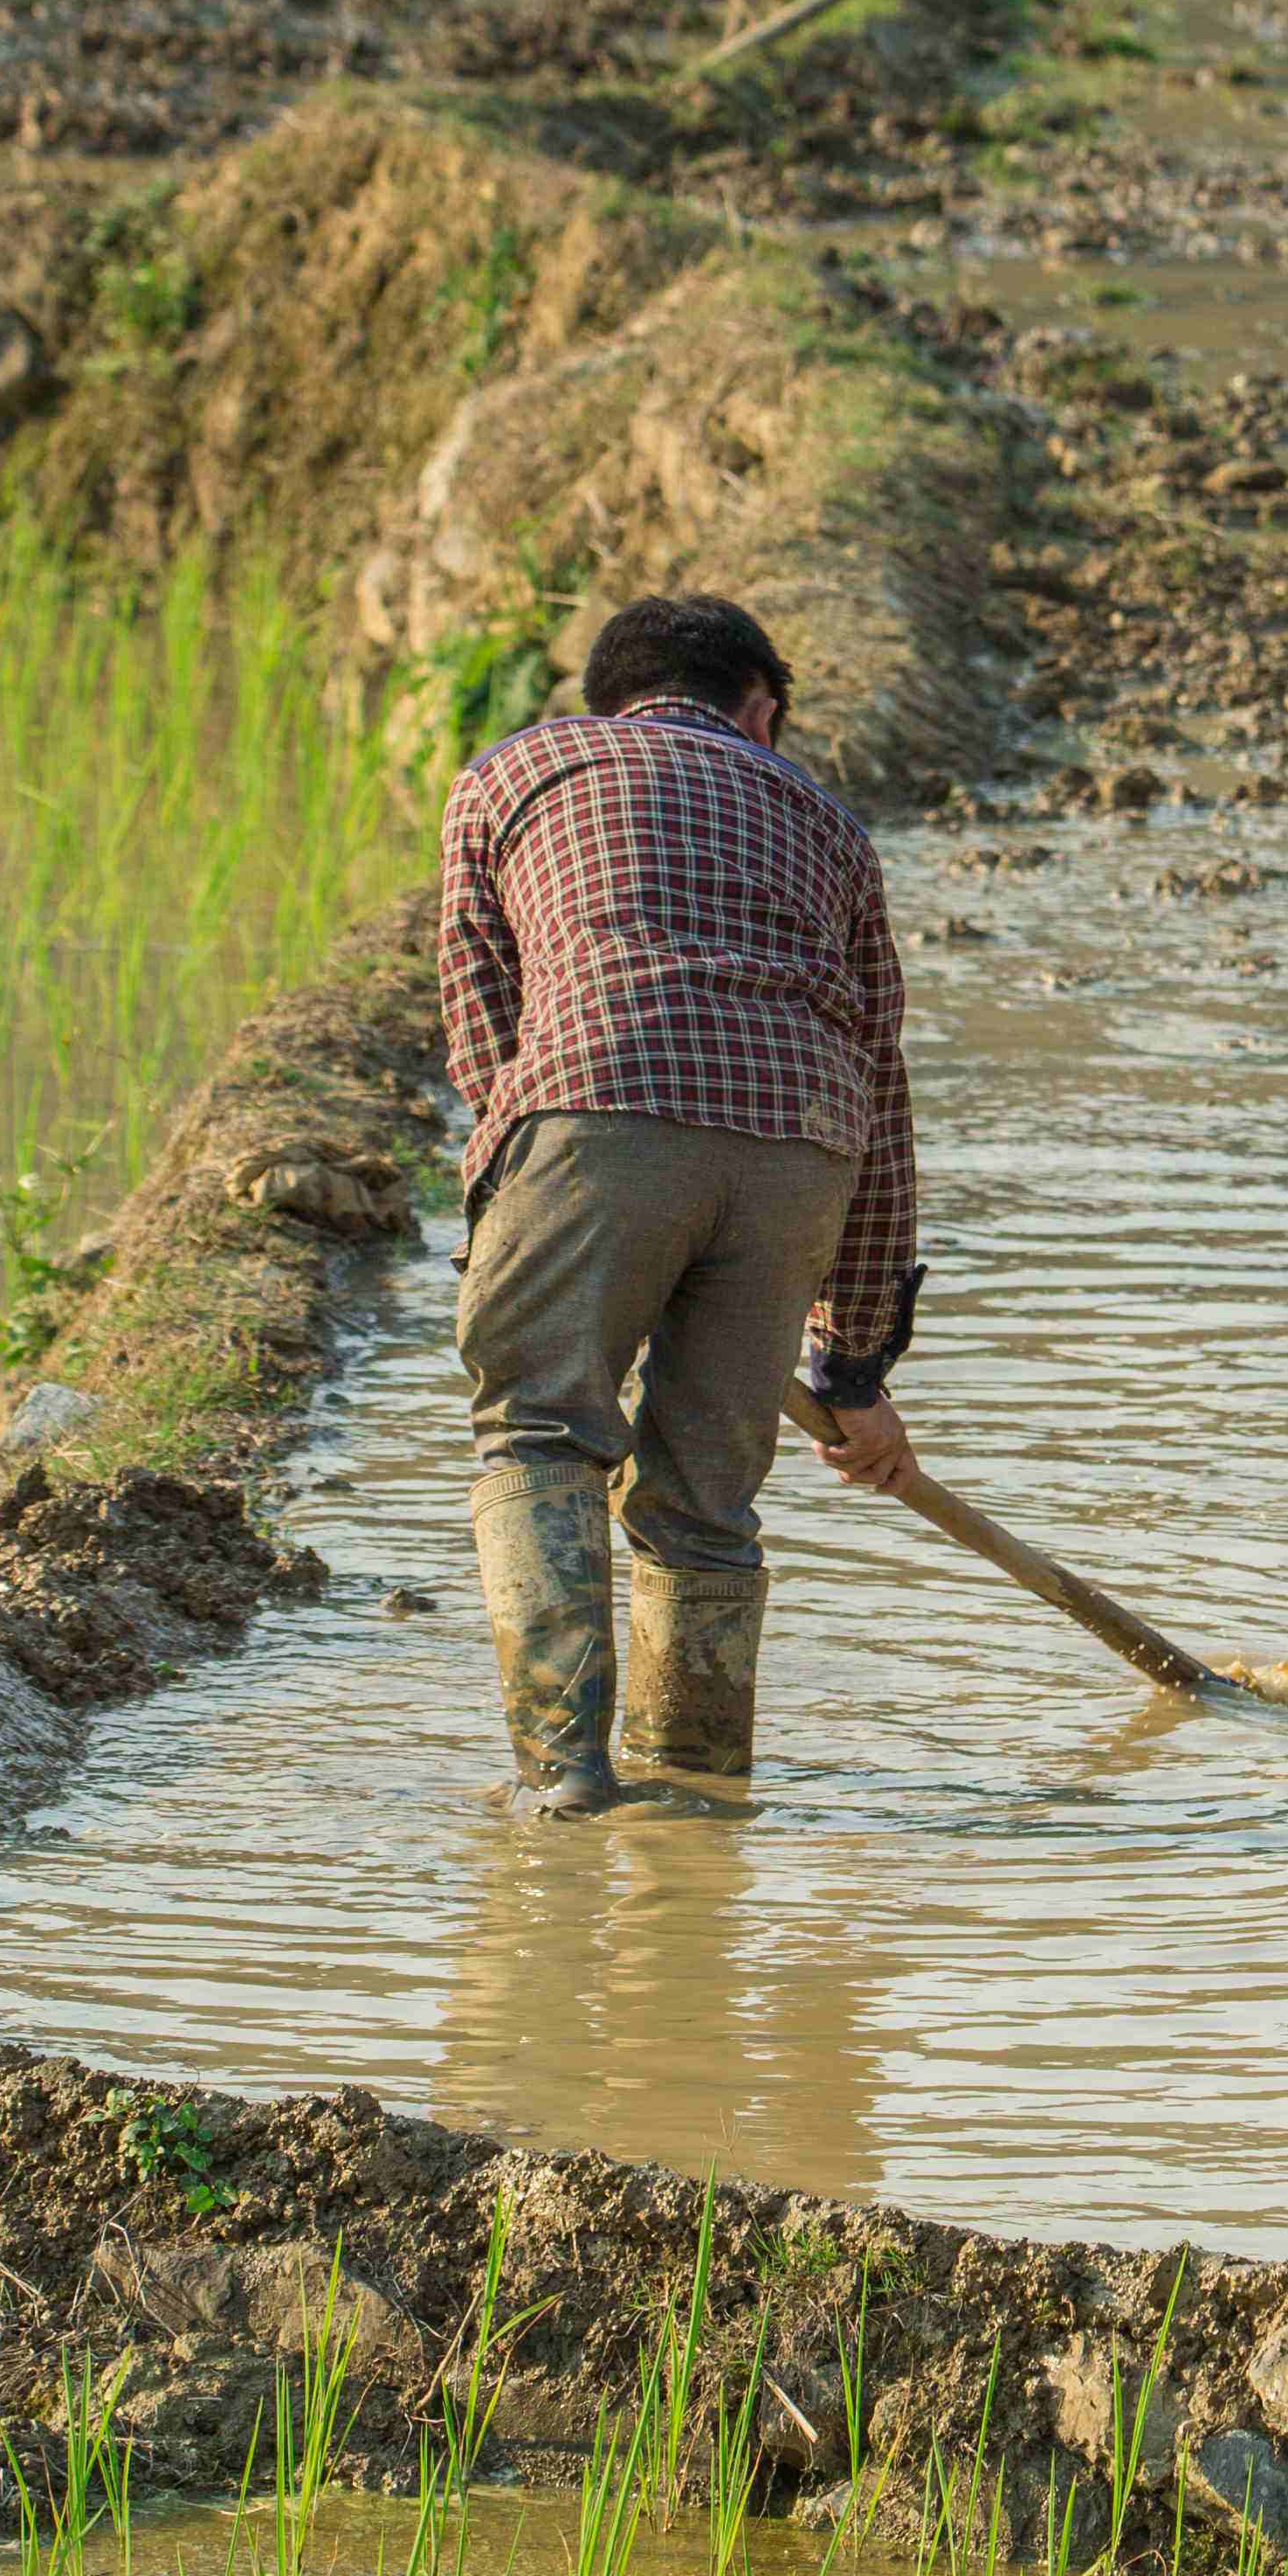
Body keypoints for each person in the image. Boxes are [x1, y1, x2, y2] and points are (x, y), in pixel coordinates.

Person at [437, 593, 924, 1818]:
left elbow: (487, 1040)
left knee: (543, 1435)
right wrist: (855, 1363)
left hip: (591, 1104)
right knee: (705, 1509)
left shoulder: (514, 774)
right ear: (759, 708)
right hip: (802, 1150)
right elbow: (884, 1093)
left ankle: (562, 1789)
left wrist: (546, 1227)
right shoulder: (830, 823)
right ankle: (698, 1811)